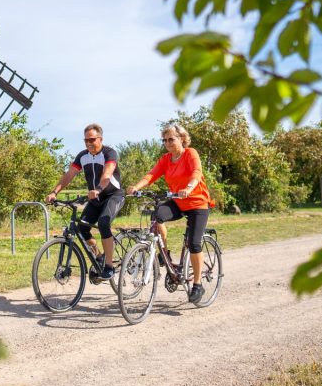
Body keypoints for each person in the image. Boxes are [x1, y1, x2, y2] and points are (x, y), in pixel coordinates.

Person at [126, 123, 214, 304]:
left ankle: (197, 284)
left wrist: (189, 187)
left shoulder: (190, 153)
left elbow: (197, 172)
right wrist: (136, 187)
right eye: (164, 140)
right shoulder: (166, 159)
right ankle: (163, 254)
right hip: (178, 202)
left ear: (182, 139)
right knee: (156, 216)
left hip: (197, 203)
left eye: (171, 139)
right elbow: (151, 175)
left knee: (194, 244)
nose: (167, 143)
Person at [46, 123, 125, 280]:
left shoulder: (109, 153)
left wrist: (98, 189)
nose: (89, 143)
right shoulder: (83, 156)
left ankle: (109, 266)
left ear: (100, 139)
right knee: (82, 227)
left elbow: (107, 174)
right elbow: (69, 175)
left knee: (103, 223)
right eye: (86, 140)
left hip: (113, 195)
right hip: (95, 199)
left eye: (92, 139)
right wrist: (54, 192)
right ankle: (99, 257)